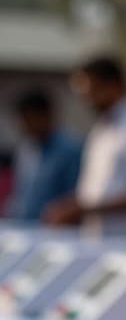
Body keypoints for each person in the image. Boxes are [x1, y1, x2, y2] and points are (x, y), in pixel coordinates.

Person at [46, 56, 126, 238]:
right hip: (99, 242)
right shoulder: (102, 128)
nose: (86, 101)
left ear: (113, 85)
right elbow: (96, 189)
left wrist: (84, 209)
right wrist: (74, 206)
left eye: (90, 92)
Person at [7, 89, 82, 222]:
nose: (25, 126)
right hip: (24, 228)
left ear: (46, 115)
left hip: (57, 234)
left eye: (30, 119)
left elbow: (76, 197)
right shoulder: (26, 149)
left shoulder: (70, 150)